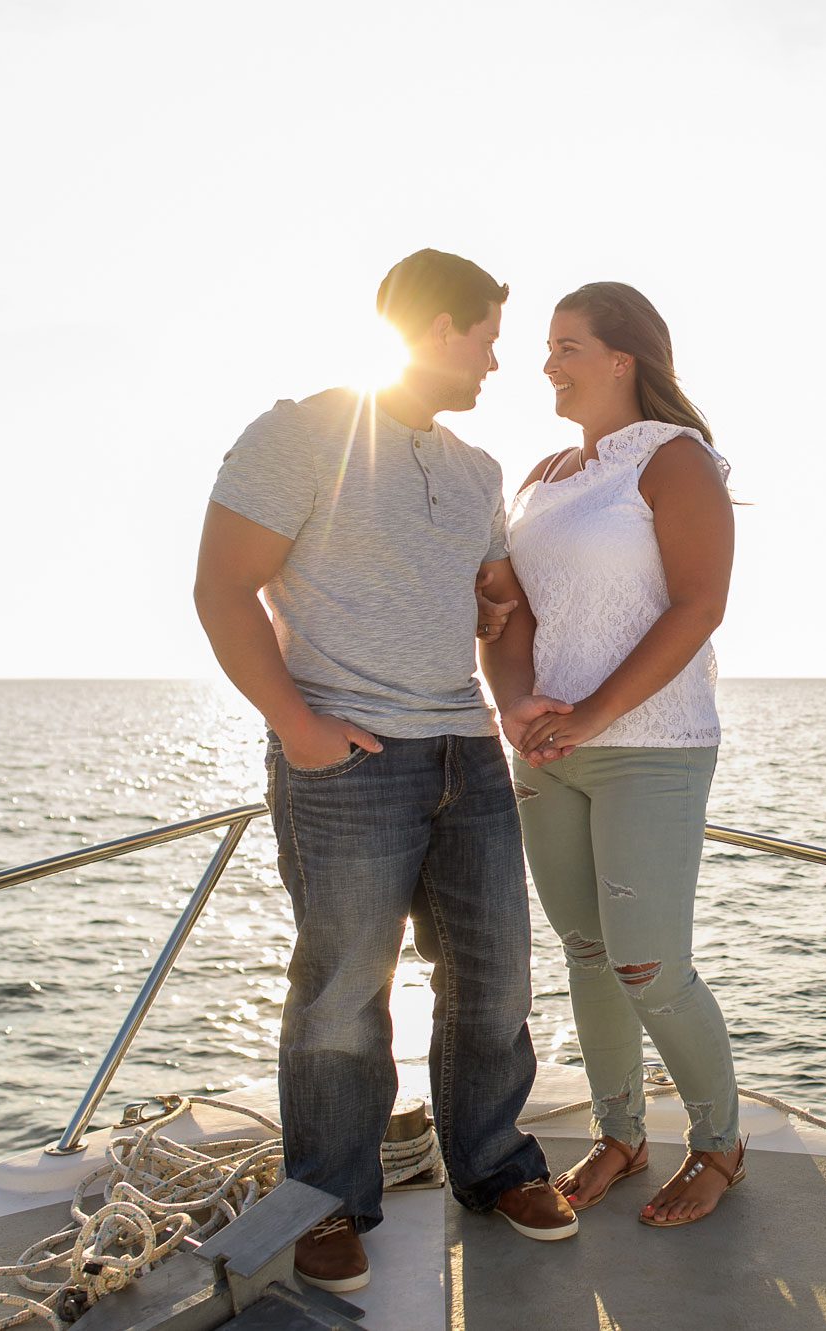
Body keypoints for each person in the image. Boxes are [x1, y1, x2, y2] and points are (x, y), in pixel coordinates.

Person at [192, 249, 579, 1293]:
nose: (497, 362)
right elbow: (223, 588)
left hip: (467, 752)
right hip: (348, 758)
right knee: (339, 996)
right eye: (490, 339)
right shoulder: (297, 434)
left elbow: (499, 605)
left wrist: (510, 688)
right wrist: (296, 726)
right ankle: (326, 1197)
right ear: (442, 327)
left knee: (495, 978)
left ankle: (495, 1165)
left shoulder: (473, 472)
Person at [497, 281, 744, 1228]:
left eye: (567, 346)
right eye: (546, 347)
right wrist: (517, 703)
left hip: (652, 748)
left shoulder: (676, 461)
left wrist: (594, 714)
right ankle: (621, 1132)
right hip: (548, 750)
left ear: (620, 358)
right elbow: (510, 611)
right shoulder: (546, 475)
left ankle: (720, 1143)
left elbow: (699, 606)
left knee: (649, 963)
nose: (548, 364)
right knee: (589, 952)